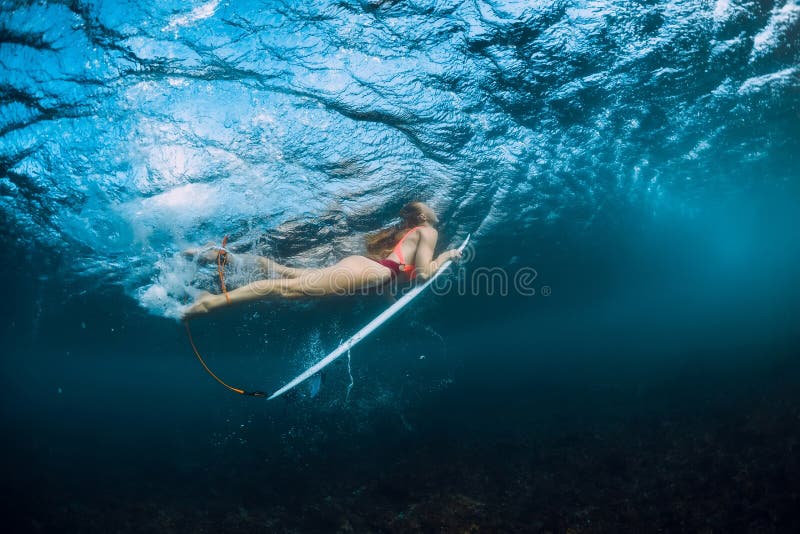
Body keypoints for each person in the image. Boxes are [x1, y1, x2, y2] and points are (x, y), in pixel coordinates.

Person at [181, 201, 462, 318]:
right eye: (431, 209)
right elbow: (424, 274)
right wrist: (447, 256)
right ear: (423, 217)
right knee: (286, 288)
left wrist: (391, 303)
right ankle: (209, 303)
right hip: (369, 272)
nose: (436, 212)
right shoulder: (428, 230)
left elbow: (392, 274)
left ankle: (219, 258)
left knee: (284, 272)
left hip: (367, 271)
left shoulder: (411, 235)